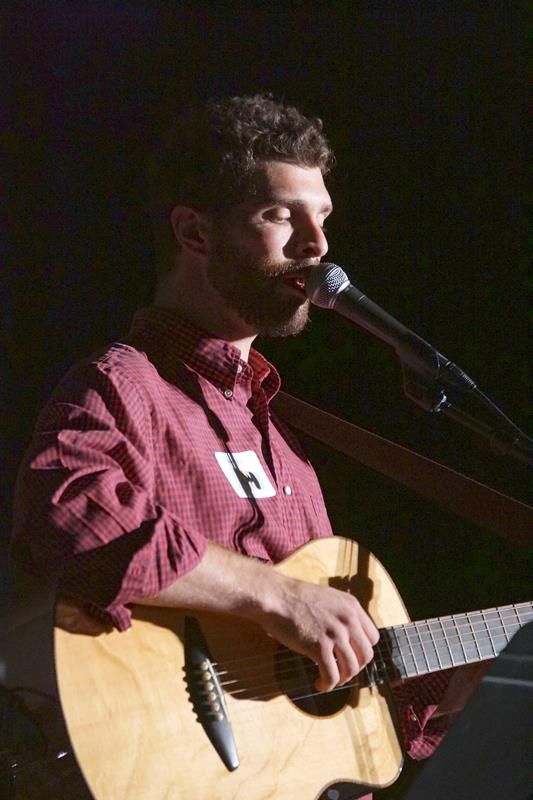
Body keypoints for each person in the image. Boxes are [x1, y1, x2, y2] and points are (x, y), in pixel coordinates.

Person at [11, 94, 479, 798]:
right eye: (279, 214)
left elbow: (329, 685)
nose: (316, 246)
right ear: (194, 233)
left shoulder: (285, 447)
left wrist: (468, 678)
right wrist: (273, 594)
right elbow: (67, 513)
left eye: (320, 216)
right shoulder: (124, 385)